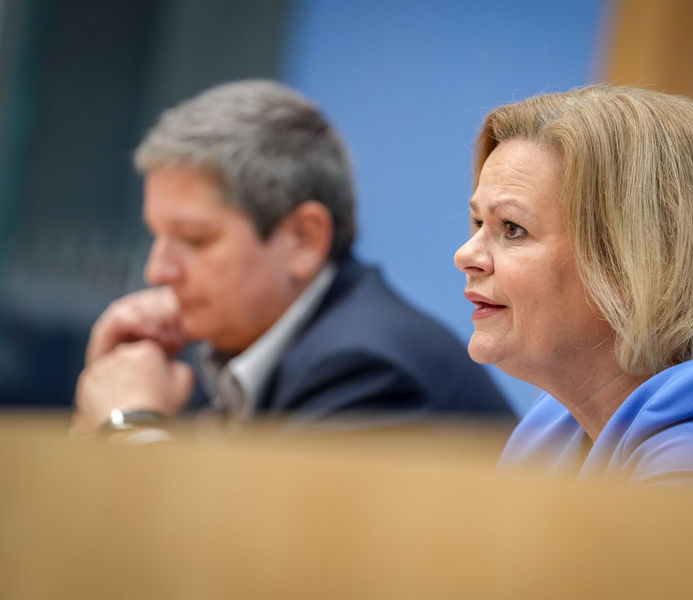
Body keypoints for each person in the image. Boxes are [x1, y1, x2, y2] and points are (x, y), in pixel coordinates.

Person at [71, 80, 513, 438]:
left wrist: (129, 423)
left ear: (303, 239)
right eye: (158, 236)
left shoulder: (367, 372)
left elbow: (237, 549)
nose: (157, 271)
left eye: (194, 238)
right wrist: (103, 401)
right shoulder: (221, 357)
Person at [455, 85, 693, 487]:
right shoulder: (551, 425)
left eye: (512, 228)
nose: (466, 254)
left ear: (633, 260)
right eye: (480, 224)